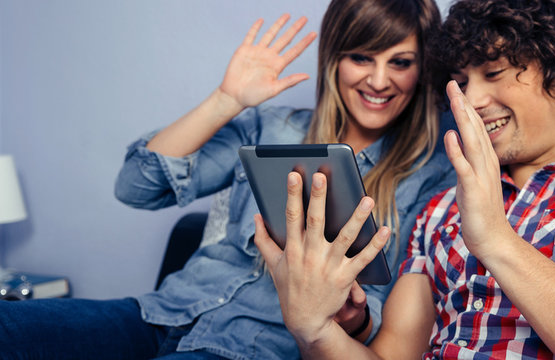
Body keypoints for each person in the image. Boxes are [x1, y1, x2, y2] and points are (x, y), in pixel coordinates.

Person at [253, 0, 555, 358]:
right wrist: (314, 327)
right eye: (461, 84)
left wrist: (496, 240)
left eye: (494, 72)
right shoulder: (441, 209)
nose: (471, 100)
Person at [0, 0, 454, 359]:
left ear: (422, 70)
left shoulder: (433, 173)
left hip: (253, 346)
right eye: (361, 57)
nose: (379, 80)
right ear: (335, 58)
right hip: (159, 313)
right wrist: (225, 100)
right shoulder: (272, 128)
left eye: (400, 62)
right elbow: (135, 185)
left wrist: (350, 318)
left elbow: (382, 319)